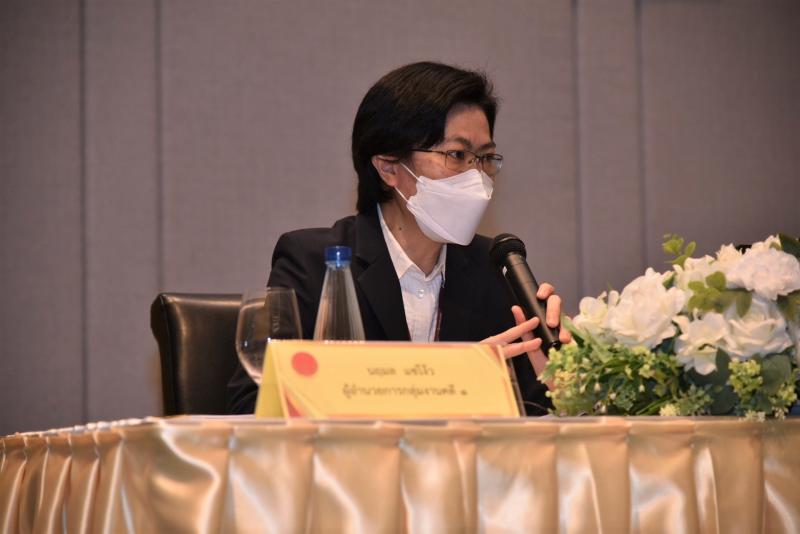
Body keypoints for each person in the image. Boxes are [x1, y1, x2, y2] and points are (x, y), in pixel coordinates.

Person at [227, 61, 571, 415]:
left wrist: (565, 383)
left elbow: (534, 414)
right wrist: (449, 383)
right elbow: (252, 405)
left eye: (484, 158)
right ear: (388, 167)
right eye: (457, 155)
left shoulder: (494, 268)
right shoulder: (313, 262)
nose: (477, 176)